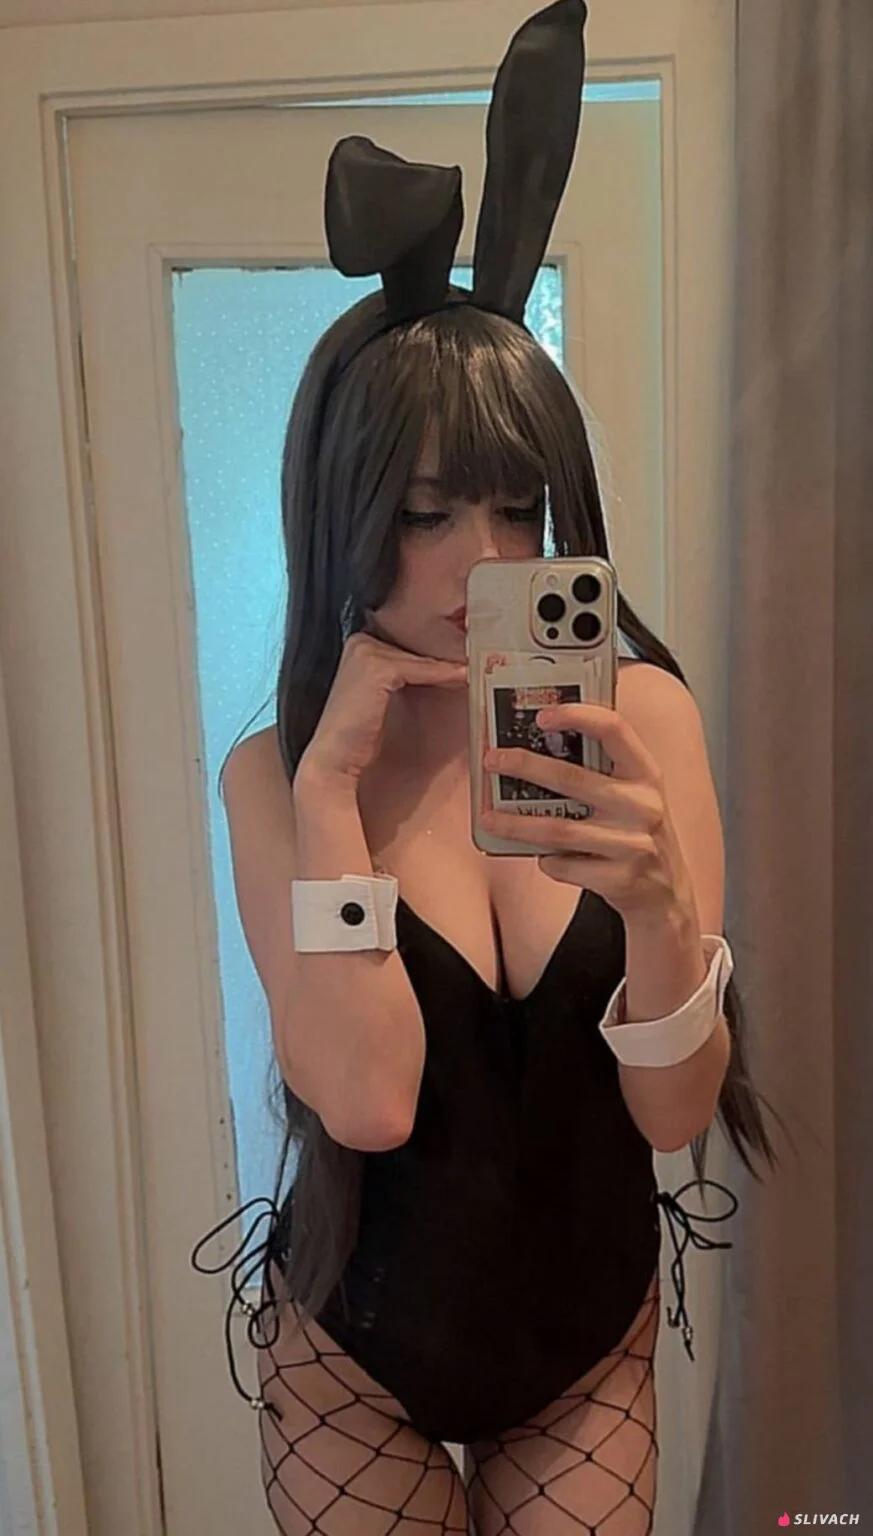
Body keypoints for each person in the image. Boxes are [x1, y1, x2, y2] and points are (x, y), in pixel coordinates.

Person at [192, 3, 781, 1531]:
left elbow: (677, 1116)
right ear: (343, 510)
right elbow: (369, 1103)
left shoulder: (642, 721)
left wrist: (659, 911)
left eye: (521, 510)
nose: (484, 560)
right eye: (427, 513)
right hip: (355, 1354)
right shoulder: (276, 780)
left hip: (587, 1336)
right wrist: (332, 803)